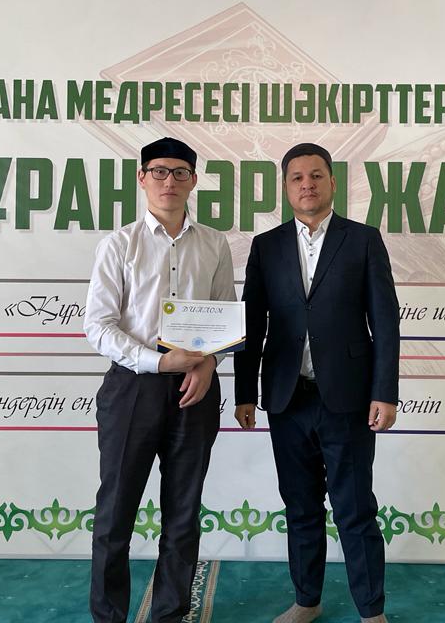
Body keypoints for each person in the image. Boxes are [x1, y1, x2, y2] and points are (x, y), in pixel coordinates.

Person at [234, 143, 400, 623]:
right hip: (287, 398)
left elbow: (385, 321)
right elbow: (252, 325)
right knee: (300, 507)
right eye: (296, 177)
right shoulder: (266, 246)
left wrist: (385, 392)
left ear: (332, 182)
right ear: (286, 187)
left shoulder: (363, 240)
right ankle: (306, 601)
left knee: (355, 508)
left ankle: (371, 611)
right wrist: (245, 394)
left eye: (316, 175)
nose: (306, 184)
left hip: (348, 398)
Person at [84, 137, 236, 623]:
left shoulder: (214, 243)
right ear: (142, 178)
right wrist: (156, 362)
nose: (169, 181)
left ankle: (169, 614)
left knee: (183, 512)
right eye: (159, 171)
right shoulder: (119, 244)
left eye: (180, 172)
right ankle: (109, 616)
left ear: (193, 180)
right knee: (115, 513)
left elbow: (224, 318)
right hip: (133, 387)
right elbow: (98, 326)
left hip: (196, 388)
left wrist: (209, 363)